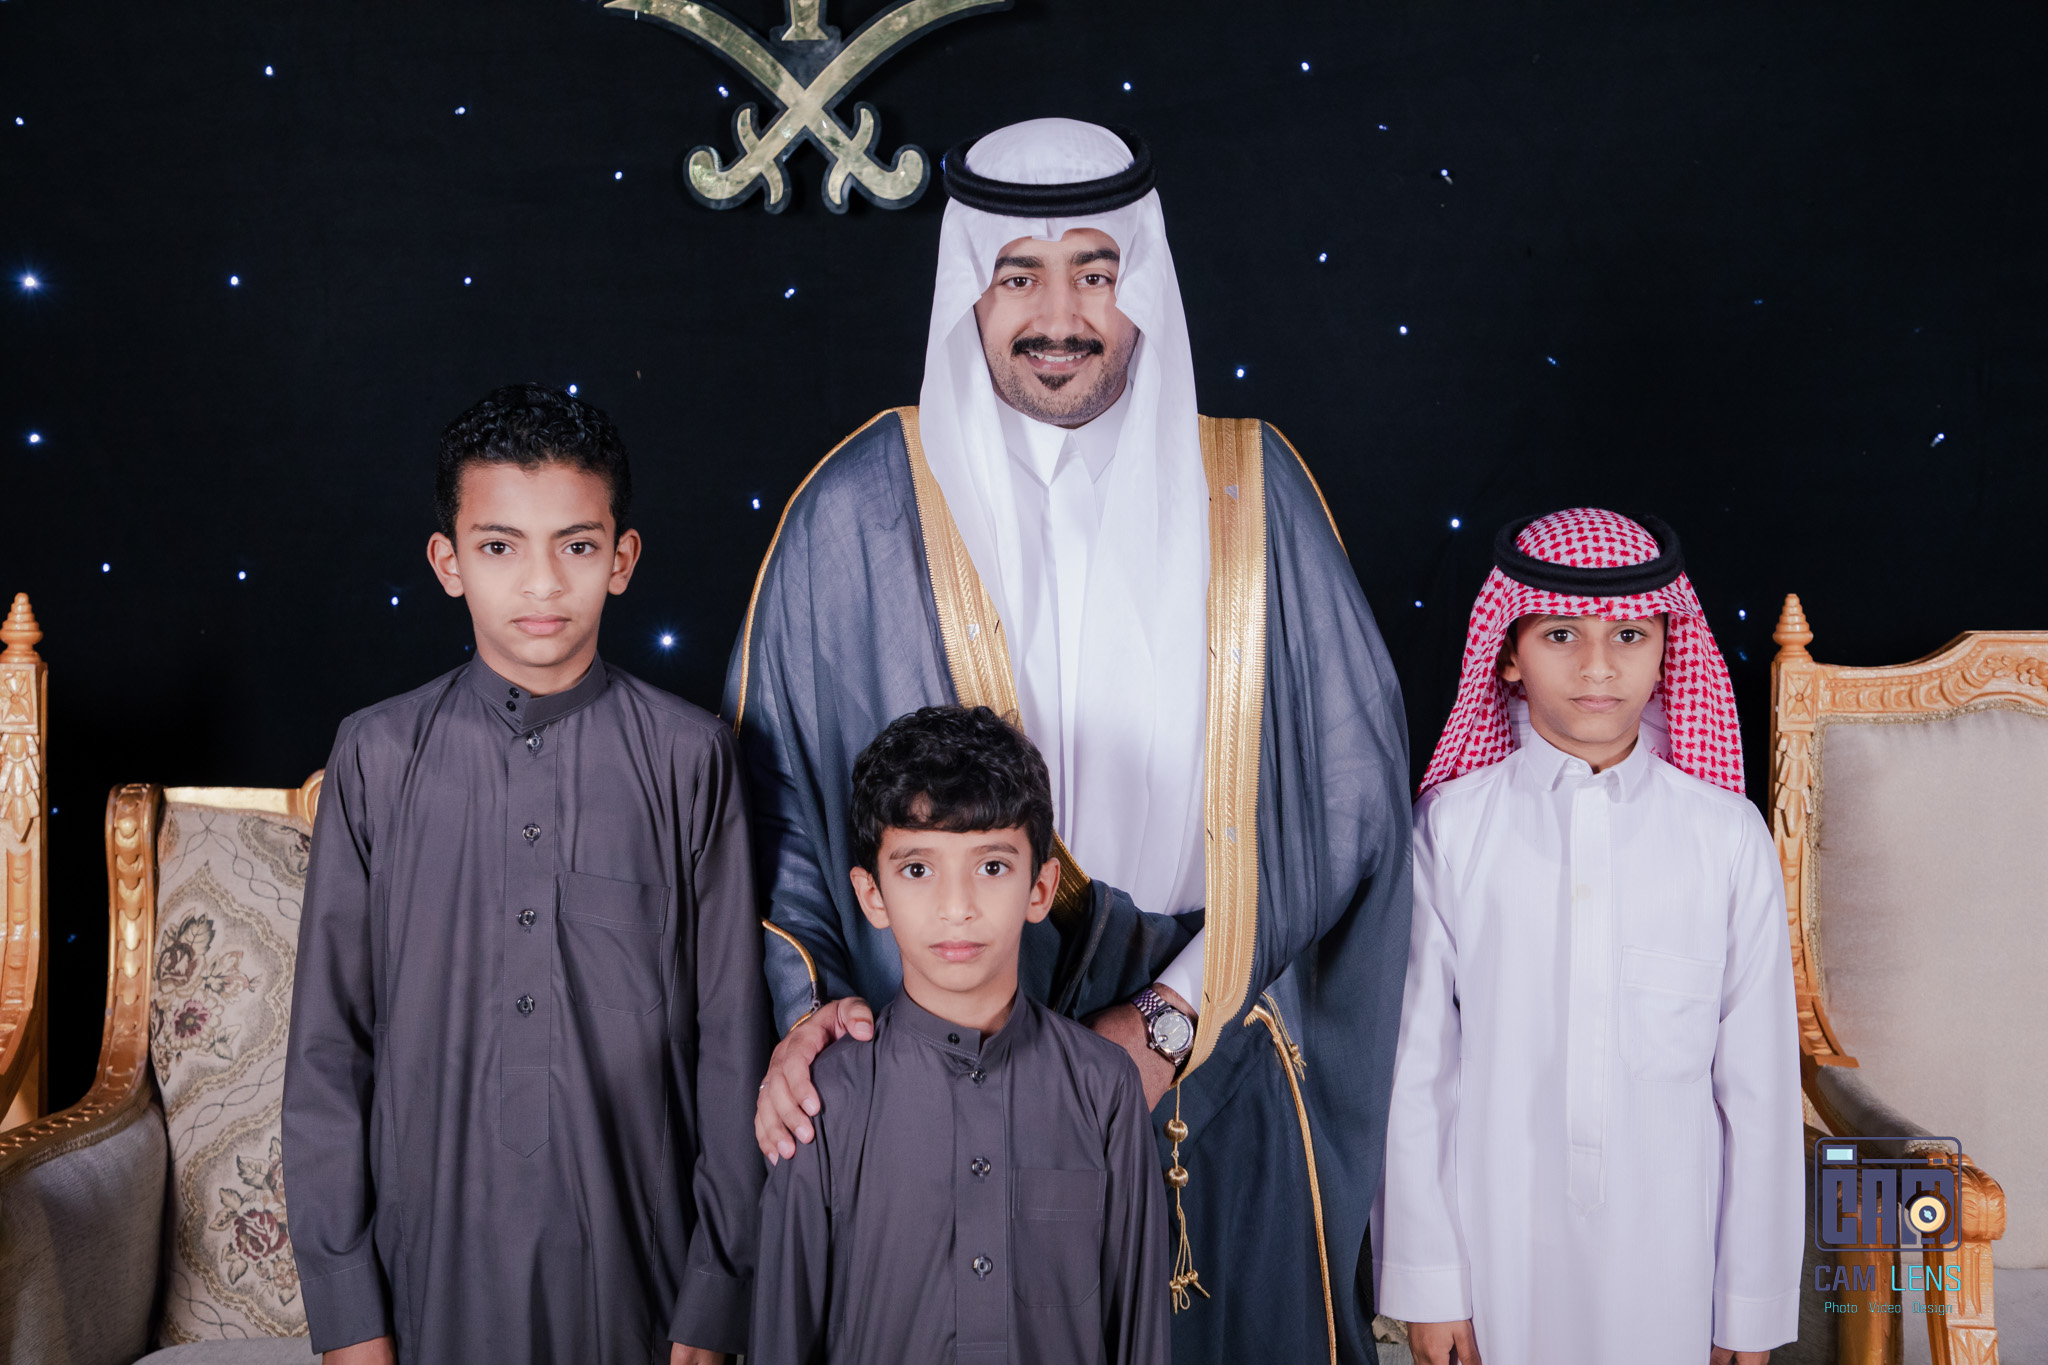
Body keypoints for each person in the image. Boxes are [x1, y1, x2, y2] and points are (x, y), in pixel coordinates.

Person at [729, 118, 1413, 1363]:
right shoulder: (856, 509)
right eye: (1019, 276)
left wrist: (1165, 1022)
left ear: (1141, 282)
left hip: (1211, 1076)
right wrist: (818, 1027)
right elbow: (775, 833)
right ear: (969, 291)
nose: (1059, 316)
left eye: (1095, 273)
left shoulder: (1253, 491)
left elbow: (1347, 805)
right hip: (939, 1094)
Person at [283, 384, 773, 1365]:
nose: (542, 583)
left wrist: (717, 1295)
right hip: (425, 1277)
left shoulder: (690, 759)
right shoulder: (378, 755)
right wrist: (347, 1312)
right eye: (501, 546)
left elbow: (730, 1040)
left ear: (622, 559)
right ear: (448, 562)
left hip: (635, 1276)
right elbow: (328, 1050)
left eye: (577, 545)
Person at [1374, 508, 1802, 1365]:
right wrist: (1430, 1282)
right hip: (1495, 1249)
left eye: (1629, 634)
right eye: (1561, 633)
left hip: (1673, 1261)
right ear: (1508, 652)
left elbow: (1759, 1094)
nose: (1598, 665)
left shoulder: (1726, 837)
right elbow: (1416, 1070)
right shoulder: (1451, 828)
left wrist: (1747, 1311)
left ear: (1668, 652)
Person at [749, 705, 1170, 1365]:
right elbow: (781, 1338)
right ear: (872, 895)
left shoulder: (1103, 1087)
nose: (957, 906)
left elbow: (1138, 1336)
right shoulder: (821, 1101)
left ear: (1040, 887)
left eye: (992, 866)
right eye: (918, 869)